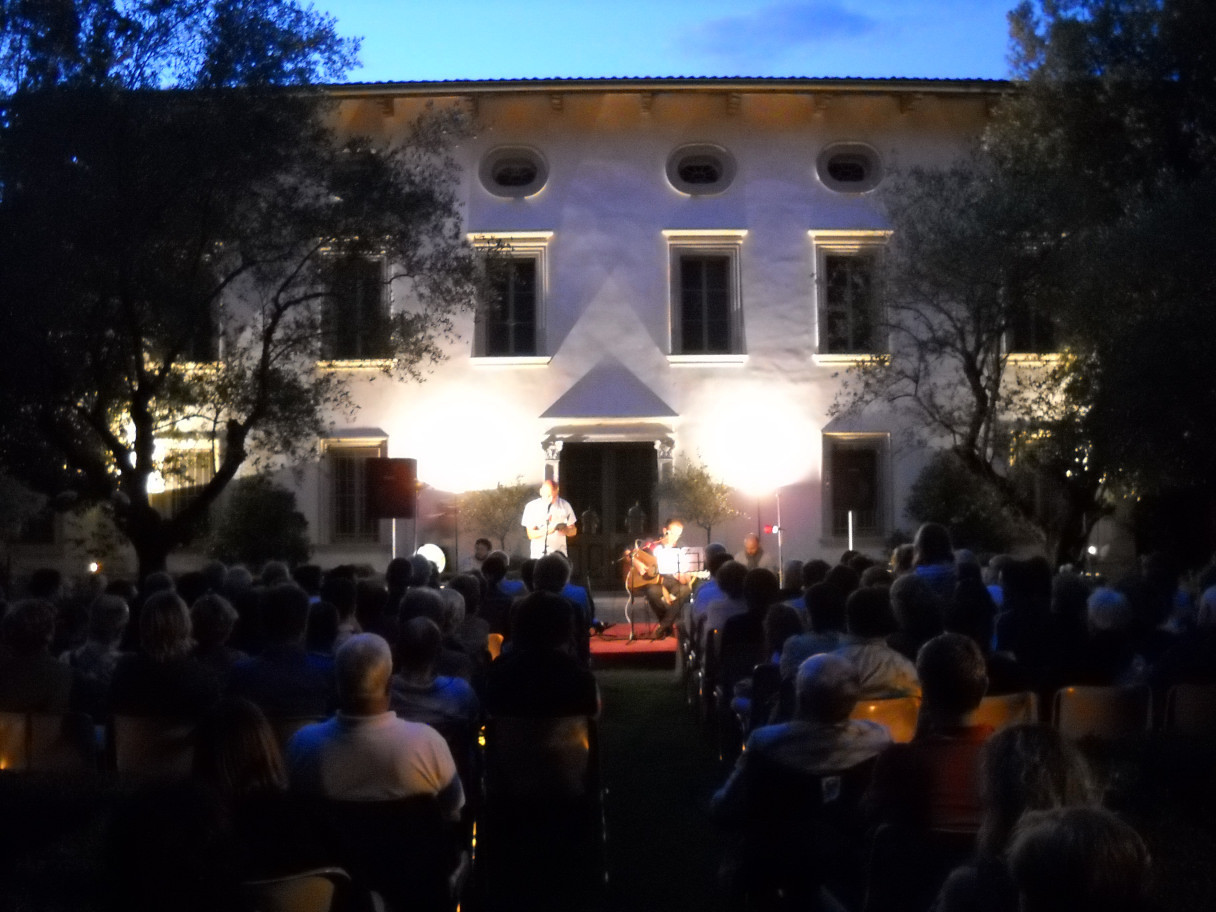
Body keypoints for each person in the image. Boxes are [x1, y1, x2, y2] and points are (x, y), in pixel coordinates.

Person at [286, 633, 464, 819]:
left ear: (338, 685)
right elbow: (453, 810)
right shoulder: (428, 743)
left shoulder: (301, 746)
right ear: (389, 685)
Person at [635, 518, 696, 639]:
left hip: (673, 582)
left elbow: (686, 579)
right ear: (665, 531)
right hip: (655, 582)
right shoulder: (652, 543)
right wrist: (637, 563)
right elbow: (628, 553)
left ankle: (663, 627)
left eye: (679, 534)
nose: (675, 537)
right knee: (652, 592)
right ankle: (668, 625)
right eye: (673, 533)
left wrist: (682, 577)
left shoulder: (682, 548)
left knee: (685, 590)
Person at [521, 479, 578, 559]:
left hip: (559, 556)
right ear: (541, 492)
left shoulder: (565, 505)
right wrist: (547, 531)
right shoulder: (531, 507)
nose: (551, 499)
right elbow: (531, 534)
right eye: (548, 496)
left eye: (554, 496)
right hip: (539, 555)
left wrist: (565, 530)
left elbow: (573, 531)